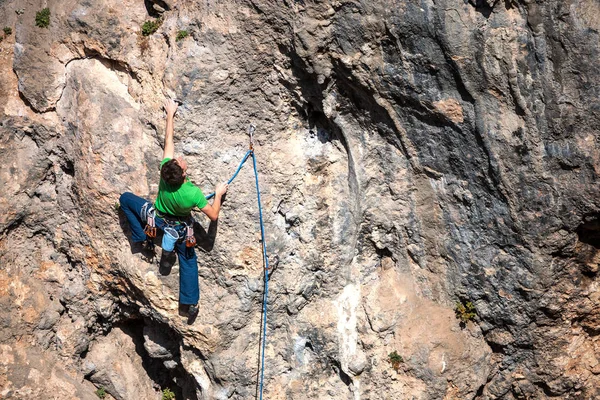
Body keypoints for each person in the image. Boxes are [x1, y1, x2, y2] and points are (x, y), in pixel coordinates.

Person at [119, 99, 228, 322]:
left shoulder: (164, 173)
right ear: (183, 175)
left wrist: (170, 114)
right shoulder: (192, 193)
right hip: (180, 229)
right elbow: (214, 215)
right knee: (188, 261)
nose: (179, 159)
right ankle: (189, 304)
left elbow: (168, 142)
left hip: (156, 219)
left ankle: (141, 238)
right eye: (179, 162)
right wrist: (218, 194)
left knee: (125, 199)